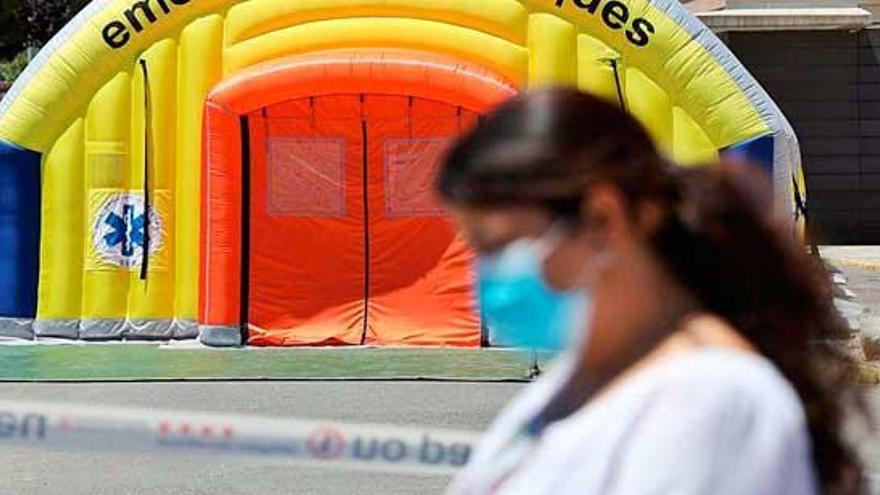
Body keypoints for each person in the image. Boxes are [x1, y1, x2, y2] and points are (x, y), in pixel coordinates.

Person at [437, 88, 865, 495]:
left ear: (604, 219)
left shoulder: (710, 403)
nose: (487, 274)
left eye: (500, 245)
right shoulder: (580, 377)